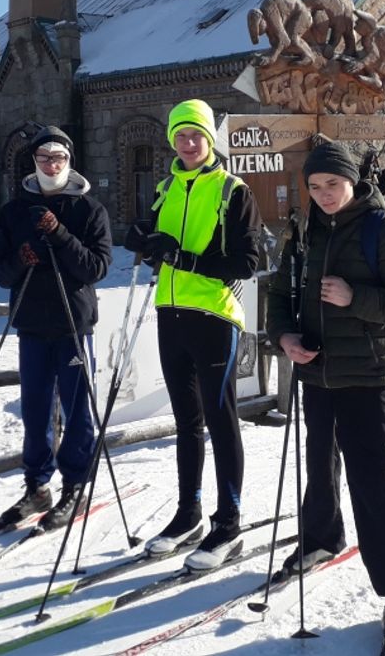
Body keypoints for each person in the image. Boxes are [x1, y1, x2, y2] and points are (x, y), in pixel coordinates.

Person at [265, 138, 385, 640]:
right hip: (315, 370)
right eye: (314, 187)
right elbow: (278, 291)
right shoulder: (304, 231)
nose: (323, 195)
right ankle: (320, 536)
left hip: (366, 374)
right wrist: (284, 336)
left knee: (374, 480)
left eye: (332, 184)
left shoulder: (383, 229)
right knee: (317, 462)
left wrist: (355, 297)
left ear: (352, 182)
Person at [124, 99, 262, 570]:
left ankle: (229, 523)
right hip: (171, 313)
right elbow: (161, 247)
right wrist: (144, 240)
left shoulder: (231, 190)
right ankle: (189, 514)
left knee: (221, 419)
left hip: (214, 317)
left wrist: (184, 259)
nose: (188, 143)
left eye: (196, 136)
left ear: (209, 140)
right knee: (186, 422)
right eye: (180, 136)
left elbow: (247, 262)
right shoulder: (165, 189)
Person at [0, 125, 112, 532]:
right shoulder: (13, 211)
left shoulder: (89, 210)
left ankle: (75, 485)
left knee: (76, 409)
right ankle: (37, 486)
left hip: (73, 325)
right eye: (44, 158)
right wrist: (21, 258)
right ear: (34, 162)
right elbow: (0, 274)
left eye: (58, 157)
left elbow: (96, 267)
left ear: (69, 161)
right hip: (31, 324)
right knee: (35, 409)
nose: (51, 164)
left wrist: (59, 234)